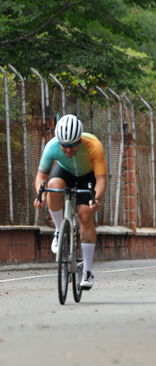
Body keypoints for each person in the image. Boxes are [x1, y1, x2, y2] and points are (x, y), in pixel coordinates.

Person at [33, 114, 106, 290]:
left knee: (85, 214)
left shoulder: (94, 145)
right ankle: (59, 230)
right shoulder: (52, 146)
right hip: (64, 172)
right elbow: (41, 176)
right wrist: (40, 196)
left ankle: (87, 270)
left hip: (87, 176)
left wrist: (95, 199)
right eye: (64, 145)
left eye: (73, 145)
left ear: (80, 139)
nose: (68, 150)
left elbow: (101, 178)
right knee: (53, 185)